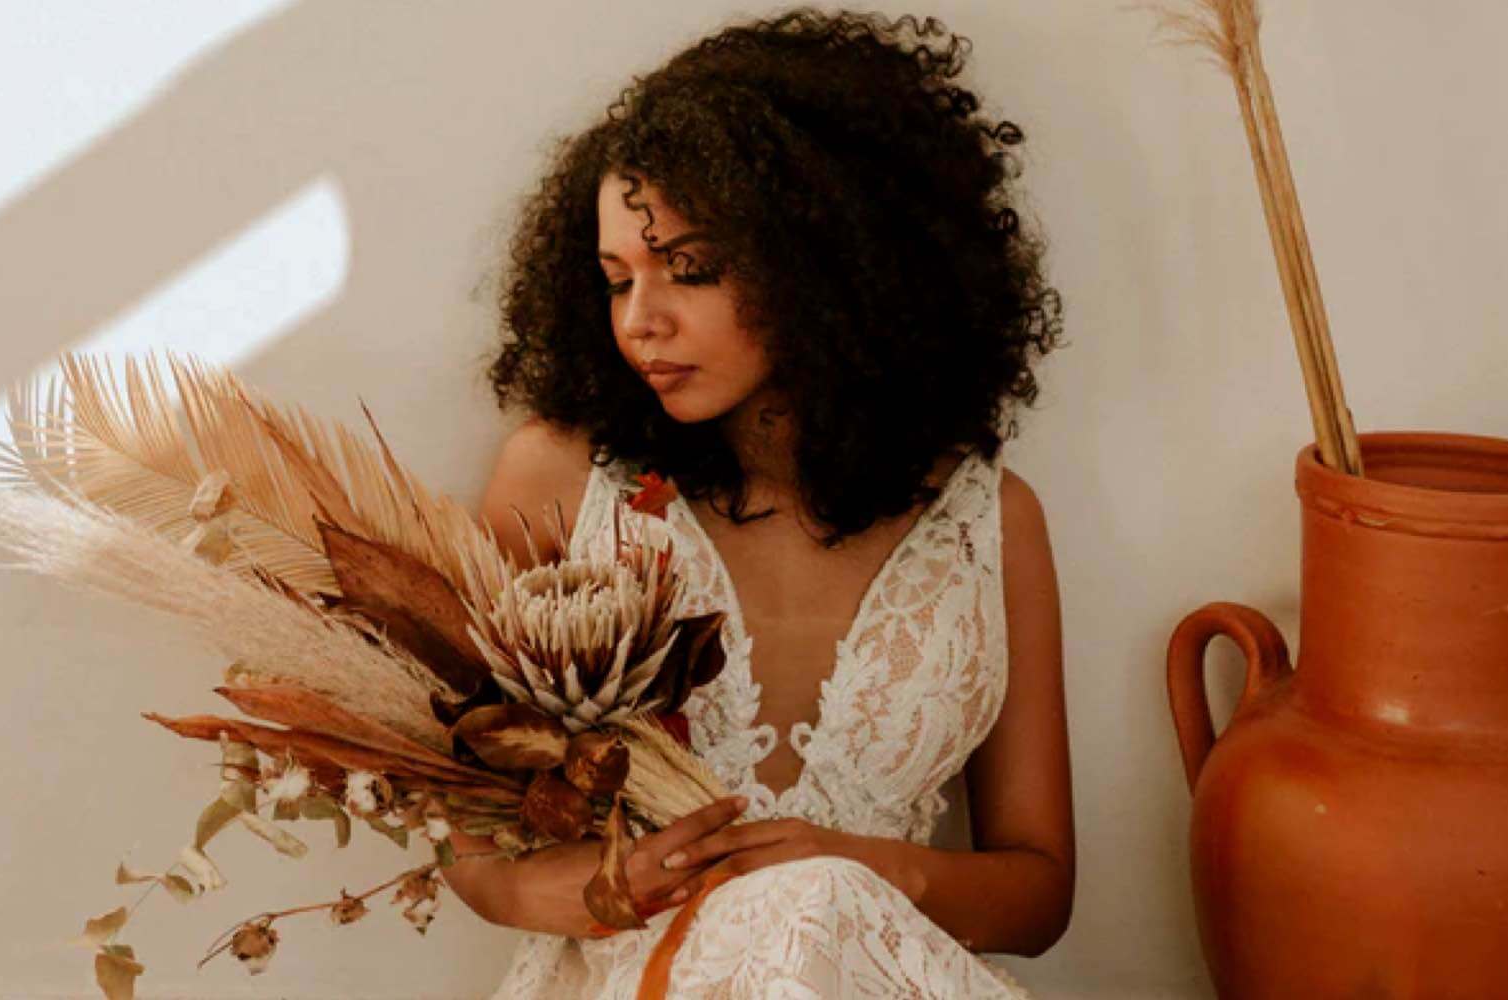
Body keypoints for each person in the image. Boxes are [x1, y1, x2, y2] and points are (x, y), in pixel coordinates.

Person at [442, 9, 1073, 997]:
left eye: (690, 269)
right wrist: (588, 889)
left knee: (817, 903)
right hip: (638, 975)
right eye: (615, 281)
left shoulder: (989, 522)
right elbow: (472, 846)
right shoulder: (561, 483)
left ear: (827, 264)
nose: (641, 320)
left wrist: (855, 867)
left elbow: (1039, 894)